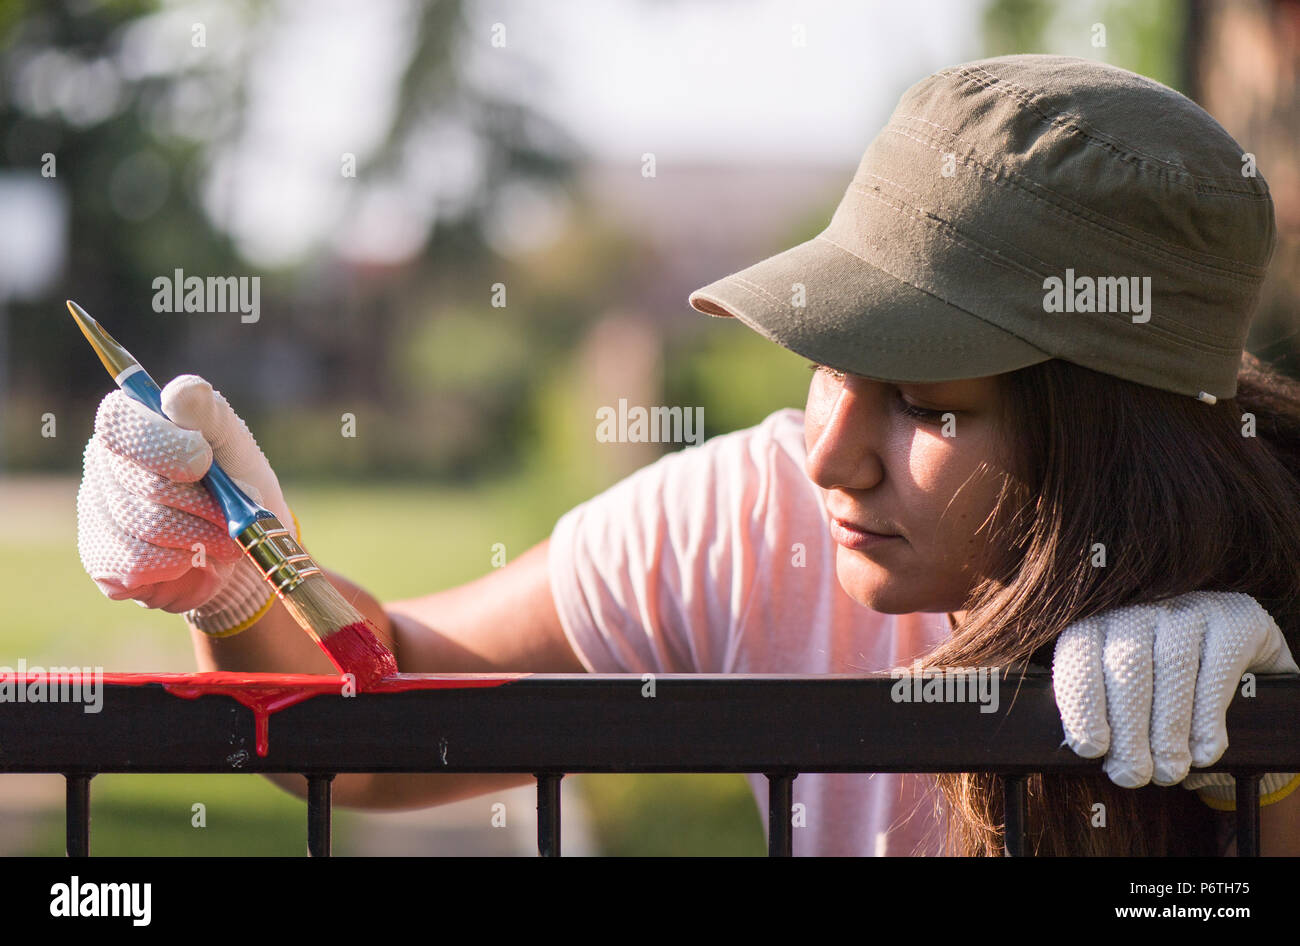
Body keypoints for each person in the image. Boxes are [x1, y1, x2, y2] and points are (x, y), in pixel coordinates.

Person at [76, 54, 1300, 856]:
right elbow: (391, 709)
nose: (830, 458)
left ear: (1121, 446)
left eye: (927, 407)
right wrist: (236, 576)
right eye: (831, 364)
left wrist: (1272, 770)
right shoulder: (753, 515)